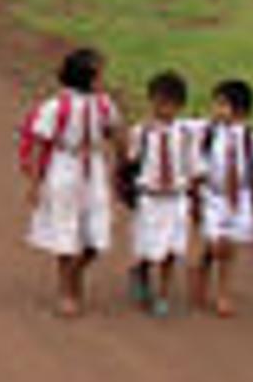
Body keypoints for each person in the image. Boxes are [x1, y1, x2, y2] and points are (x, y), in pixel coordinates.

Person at [21, 46, 121, 316]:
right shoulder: (56, 107)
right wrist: (34, 183)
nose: (103, 80)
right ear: (87, 77)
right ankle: (67, 290)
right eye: (100, 75)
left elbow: (113, 132)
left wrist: (123, 163)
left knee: (98, 230)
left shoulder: (103, 104)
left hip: (94, 168)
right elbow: (41, 144)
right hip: (64, 166)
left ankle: (76, 272)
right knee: (65, 226)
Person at [193, 77, 253, 319]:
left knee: (231, 247)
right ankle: (204, 266)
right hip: (213, 196)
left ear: (239, 110)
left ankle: (223, 292)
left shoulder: (252, 139)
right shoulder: (209, 133)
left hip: (240, 199)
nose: (215, 110)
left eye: (221, 105)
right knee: (216, 244)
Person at [123, 70, 200, 316]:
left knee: (171, 250)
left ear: (180, 106)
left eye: (169, 104)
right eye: (157, 102)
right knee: (148, 247)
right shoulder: (141, 132)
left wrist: (195, 197)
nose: (163, 109)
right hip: (150, 199)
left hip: (176, 199)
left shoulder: (186, 135)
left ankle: (163, 294)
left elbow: (194, 167)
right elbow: (131, 161)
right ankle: (141, 271)